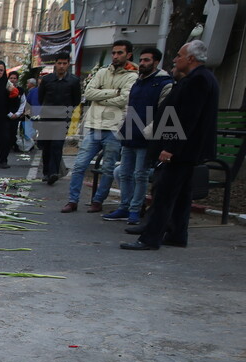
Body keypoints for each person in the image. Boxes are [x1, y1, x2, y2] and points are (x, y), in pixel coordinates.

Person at [122, 41, 219, 251]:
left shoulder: (198, 80)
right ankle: (176, 233)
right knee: (182, 194)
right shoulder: (198, 78)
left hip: (182, 149)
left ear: (191, 59)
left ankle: (150, 238)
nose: (175, 59)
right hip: (186, 148)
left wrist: (170, 147)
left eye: (179, 55)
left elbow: (187, 118)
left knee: (164, 192)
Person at [63, 39, 138, 213]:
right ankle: (72, 200)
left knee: (108, 167)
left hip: (114, 127)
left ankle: (98, 200)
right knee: (80, 165)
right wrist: (113, 92)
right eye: (114, 52)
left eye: (120, 53)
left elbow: (125, 99)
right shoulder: (103, 72)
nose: (116, 56)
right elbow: (89, 92)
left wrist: (101, 95)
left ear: (128, 55)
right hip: (94, 125)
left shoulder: (132, 76)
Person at [105, 47, 172, 224]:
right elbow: (128, 107)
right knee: (124, 173)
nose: (142, 63)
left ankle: (135, 210)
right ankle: (124, 207)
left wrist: (147, 133)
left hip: (146, 138)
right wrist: (123, 127)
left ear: (156, 62)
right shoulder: (138, 82)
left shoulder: (165, 83)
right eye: (141, 60)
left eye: (147, 60)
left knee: (139, 174)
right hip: (129, 135)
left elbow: (163, 112)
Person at [37, 52, 80, 185]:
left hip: (62, 118)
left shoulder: (73, 81)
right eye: (59, 63)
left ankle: (53, 172)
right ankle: (46, 172)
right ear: (55, 64)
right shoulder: (47, 80)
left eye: (64, 63)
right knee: (47, 146)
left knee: (57, 145)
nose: (61, 66)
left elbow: (76, 100)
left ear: (68, 64)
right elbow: (40, 97)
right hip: (47, 117)